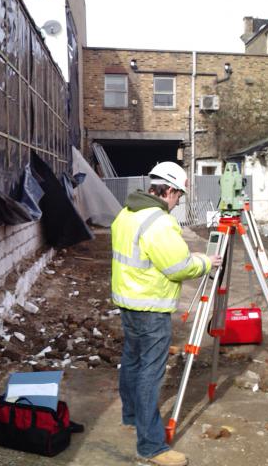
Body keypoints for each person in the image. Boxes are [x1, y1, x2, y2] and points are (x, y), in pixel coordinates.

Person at [110, 162, 222, 466]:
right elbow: (178, 267)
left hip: (129, 303)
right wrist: (206, 261)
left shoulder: (126, 213)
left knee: (132, 361)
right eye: (179, 195)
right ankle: (151, 446)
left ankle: (130, 416)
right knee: (150, 374)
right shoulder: (158, 222)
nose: (177, 202)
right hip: (151, 309)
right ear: (169, 191)